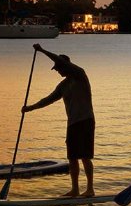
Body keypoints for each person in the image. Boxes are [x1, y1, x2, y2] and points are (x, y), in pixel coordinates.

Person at [22, 45, 95, 198]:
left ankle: (90, 189)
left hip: (85, 120)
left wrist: (42, 51)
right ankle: (75, 189)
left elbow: (58, 60)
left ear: (66, 66)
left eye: (58, 67)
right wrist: (30, 108)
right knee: (72, 157)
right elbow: (48, 99)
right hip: (72, 123)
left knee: (85, 156)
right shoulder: (63, 85)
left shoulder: (80, 74)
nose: (57, 70)